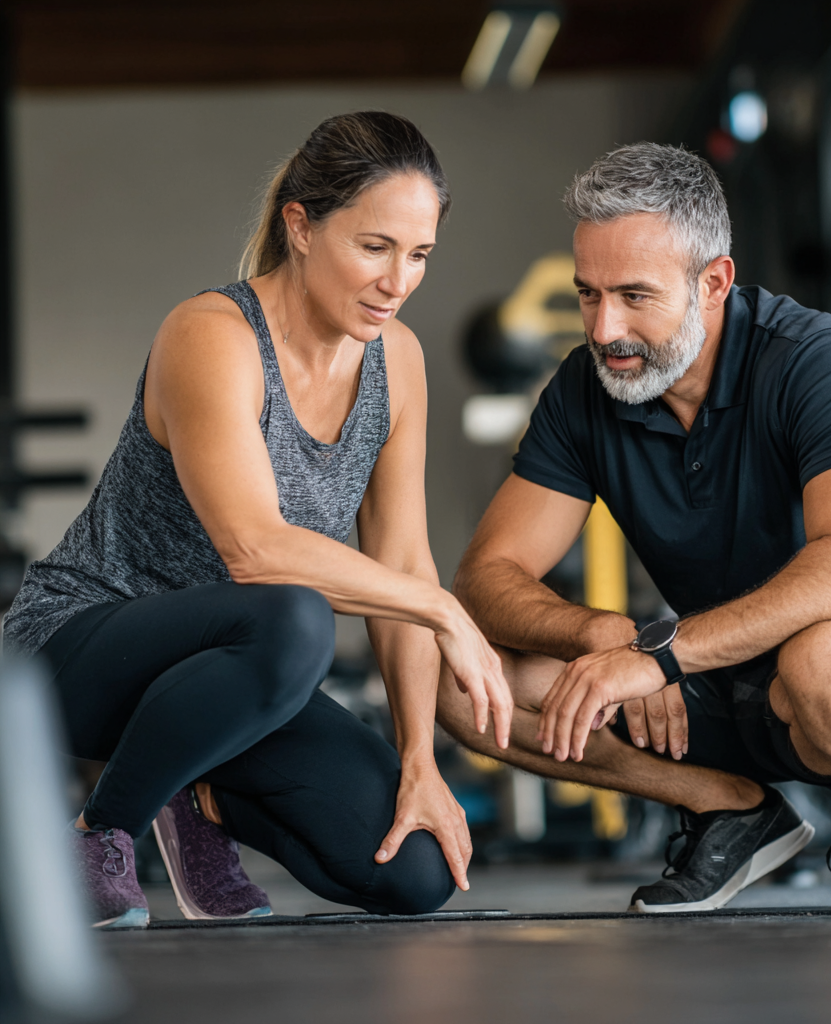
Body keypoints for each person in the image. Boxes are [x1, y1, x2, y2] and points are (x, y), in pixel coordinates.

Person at [4, 111, 512, 928]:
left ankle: (196, 796)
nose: (398, 281)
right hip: (77, 646)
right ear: (301, 227)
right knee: (295, 617)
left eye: (418, 254)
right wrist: (447, 609)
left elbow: (405, 567)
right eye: (374, 247)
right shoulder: (211, 334)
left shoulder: (398, 363)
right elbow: (254, 549)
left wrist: (421, 758)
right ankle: (103, 831)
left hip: (242, 680)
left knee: (415, 873)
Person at [438, 142, 831, 913]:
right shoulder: (583, 392)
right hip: (710, 671)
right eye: (589, 294)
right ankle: (729, 807)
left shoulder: (813, 358)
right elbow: (486, 575)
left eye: (634, 295)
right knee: (455, 672)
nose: (605, 327)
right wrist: (606, 637)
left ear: (713, 282)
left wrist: (660, 656)